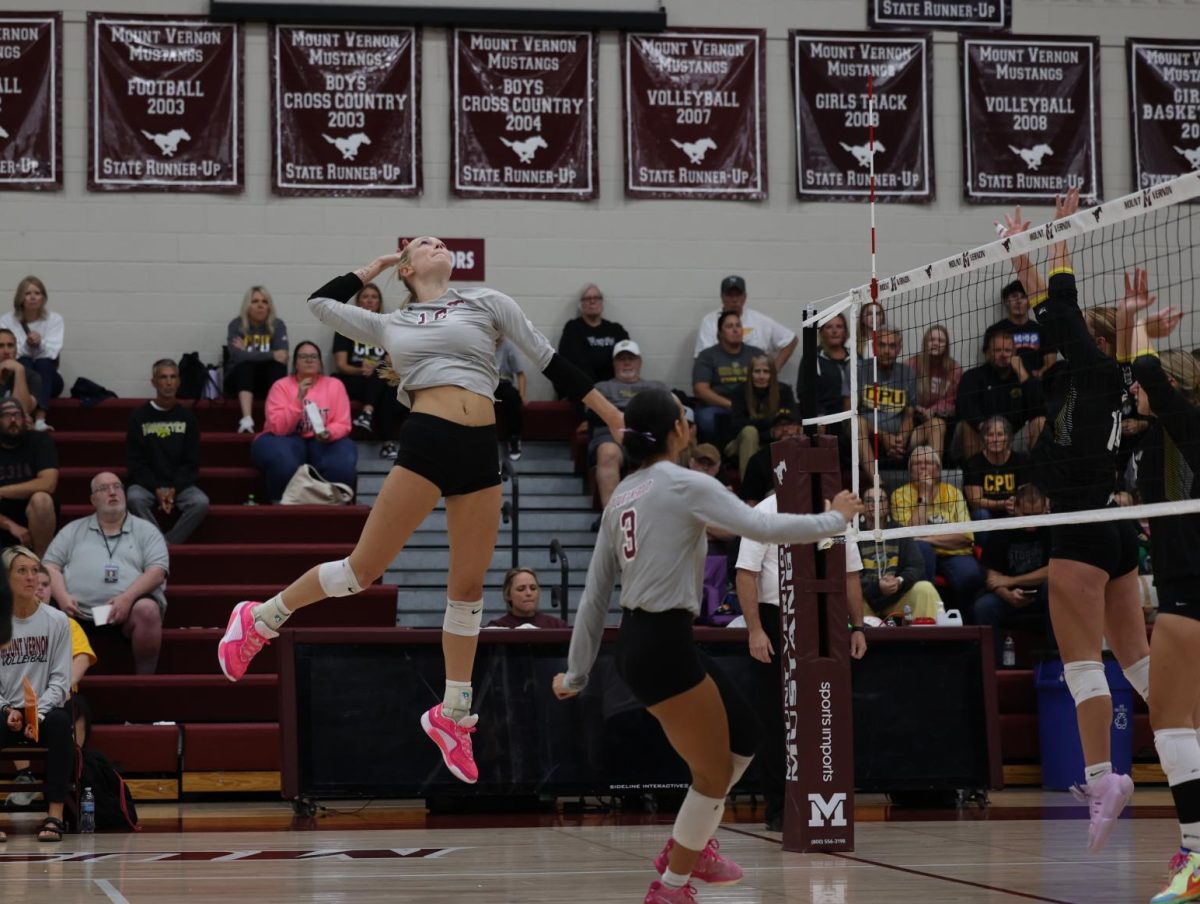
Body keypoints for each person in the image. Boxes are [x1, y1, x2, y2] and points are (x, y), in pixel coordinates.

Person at [217, 236, 624, 787]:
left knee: (469, 589)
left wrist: (611, 415)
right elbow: (319, 304)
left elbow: (553, 363)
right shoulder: (391, 324)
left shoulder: (487, 302)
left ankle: (452, 715)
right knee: (362, 571)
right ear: (407, 269)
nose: (437, 243)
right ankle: (260, 619)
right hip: (428, 437)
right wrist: (372, 269)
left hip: (482, 448)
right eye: (425, 244)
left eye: (438, 240)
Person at [551, 388, 862, 903]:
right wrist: (835, 518)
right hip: (662, 647)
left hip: (644, 642)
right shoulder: (683, 483)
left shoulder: (622, 496)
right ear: (677, 430)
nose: (689, 423)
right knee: (714, 772)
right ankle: (671, 884)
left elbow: (593, 599)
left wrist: (577, 674)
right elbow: (760, 526)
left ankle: (692, 839)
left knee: (747, 732)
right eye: (684, 417)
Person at [1000, 190, 1150, 853]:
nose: (1046, 328)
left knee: (1083, 667)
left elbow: (1058, 299)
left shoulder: (1087, 371)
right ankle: (1190, 747)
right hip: (1113, 528)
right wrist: (1020, 252)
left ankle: (1103, 778)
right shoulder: (1104, 379)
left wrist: (1058, 234)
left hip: (1082, 529)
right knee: (1139, 664)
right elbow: (1050, 303)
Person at [1114, 268, 1200, 903]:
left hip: (1190, 590)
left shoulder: (1189, 426)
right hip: (1182, 585)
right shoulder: (1158, 438)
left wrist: (1138, 320)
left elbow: (1143, 373)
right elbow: (1129, 380)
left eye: (1152, 387)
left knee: (1171, 728)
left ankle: (1196, 859)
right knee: (1183, 724)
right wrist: (1129, 321)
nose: (1138, 394)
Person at [737, 491, 867, 832]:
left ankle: (823, 800)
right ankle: (780, 808)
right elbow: (746, 573)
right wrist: (755, 630)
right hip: (774, 617)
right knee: (774, 716)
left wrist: (858, 626)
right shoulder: (764, 512)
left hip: (823, 616)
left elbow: (850, 574)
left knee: (823, 712)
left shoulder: (835, 512)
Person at [43, 471, 169, 675]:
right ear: (93, 499)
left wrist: (127, 598)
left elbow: (158, 571)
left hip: (128, 613)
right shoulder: (73, 530)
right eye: (103, 488)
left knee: (148, 609)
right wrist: (62, 596)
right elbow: (49, 566)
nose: (112, 492)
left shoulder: (147, 530)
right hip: (77, 612)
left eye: (117, 486)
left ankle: (145, 679)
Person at [7, 563, 97, 808]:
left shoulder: (63, 623)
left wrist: (57, 689)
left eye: (45, 584)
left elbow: (81, 659)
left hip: (58, 697)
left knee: (71, 711)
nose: (37, 586)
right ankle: (25, 775)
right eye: (28, 577)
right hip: (15, 700)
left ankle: (71, 776)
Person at [0, 545, 72, 842]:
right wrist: (7, 711)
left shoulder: (56, 621)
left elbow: (61, 680)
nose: (31, 578)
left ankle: (55, 815)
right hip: (4, 710)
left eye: (34, 571)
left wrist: (37, 714)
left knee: (59, 724)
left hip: (43, 710)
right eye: (21, 571)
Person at [251, 342, 357, 504]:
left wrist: (330, 433)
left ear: (320, 363)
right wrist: (299, 398)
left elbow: (343, 423)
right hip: (284, 437)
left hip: (323, 439)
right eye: (304, 357)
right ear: (295, 363)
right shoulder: (281, 386)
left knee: (340, 462)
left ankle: (335, 504)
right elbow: (279, 428)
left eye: (314, 357)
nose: (309, 360)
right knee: (283, 461)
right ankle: (281, 504)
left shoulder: (334, 385)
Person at [125, 358, 210, 544]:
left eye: (173, 377)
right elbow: (135, 462)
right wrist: (156, 489)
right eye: (163, 377)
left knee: (200, 502)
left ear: (179, 381)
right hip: (147, 485)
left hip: (179, 486)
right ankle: (157, 542)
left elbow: (191, 462)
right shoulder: (139, 417)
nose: (169, 382)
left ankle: (167, 544)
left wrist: (174, 489)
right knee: (133, 498)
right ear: (154, 382)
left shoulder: (188, 418)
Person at [890, 445, 982, 615]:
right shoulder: (900, 495)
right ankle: (928, 617)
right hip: (921, 555)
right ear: (910, 471)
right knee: (921, 549)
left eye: (928, 463)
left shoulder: (953, 493)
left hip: (954, 552)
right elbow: (910, 536)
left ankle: (964, 621)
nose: (923, 467)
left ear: (938, 470)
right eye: (918, 463)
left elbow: (966, 537)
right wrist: (923, 495)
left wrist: (927, 538)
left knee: (970, 575)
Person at [973, 483, 1052, 663]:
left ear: (1045, 509)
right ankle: (994, 669)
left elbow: (1053, 571)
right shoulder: (1001, 530)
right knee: (984, 607)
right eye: (1026, 515)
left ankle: (1056, 659)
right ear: (1014, 509)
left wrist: (1010, 580)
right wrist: (1007, 594)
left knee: (1054, 588)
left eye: (1036, 514)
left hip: (1041, 594)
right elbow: (992, 579)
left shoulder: (1052, 528)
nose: (1032, 521)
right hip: (1008, 596)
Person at [589, 340, 667, 510]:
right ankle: (612, 519)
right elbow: (596, 415)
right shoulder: (601, 388)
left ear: (640, 362)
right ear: (614, 363)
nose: (626, 363)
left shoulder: (657, 387)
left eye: (631, 358)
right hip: (612, 436)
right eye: (621, 359)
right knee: (607, 452)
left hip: (650, 436)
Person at [332, 282, 406, 459]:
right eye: (365, 297)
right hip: (355, 378)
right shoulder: (345, 328)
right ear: (358, 302)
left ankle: (367, 413)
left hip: (379, 378)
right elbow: (341, 365)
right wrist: (361, 370)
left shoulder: (387, 329)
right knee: (382, 384)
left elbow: (392, 361)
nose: (369, 300)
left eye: (374, 297)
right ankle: (387, 444)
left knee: (386, 384)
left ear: (379, 302)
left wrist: (377, 366)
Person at [855, 329, 943, 466]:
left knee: (937, 424)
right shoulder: (858, 369)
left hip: (900, 437)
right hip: (869, 435)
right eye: (882, 345)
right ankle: (877, 483)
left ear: (899, 349)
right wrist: (883, 436)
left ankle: (935, 480)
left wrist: (901, 439)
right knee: (857, 423)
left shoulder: (907, 373)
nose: (886, 351)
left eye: (892, 346)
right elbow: (850, 413)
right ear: (874, 347)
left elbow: (909, 415)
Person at [955, 328, 1045, 460]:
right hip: (983, 435)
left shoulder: (1024, 376)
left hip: (1013, 438)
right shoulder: (972, 376)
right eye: (998, 350)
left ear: (1015, 353)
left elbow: (1040, 407)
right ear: (988, 353)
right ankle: (975, 474)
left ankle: (1038, 475)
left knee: (1040, 422)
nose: (1003, 355)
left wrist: (1022, 373)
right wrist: (985, 428)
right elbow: (964, 406)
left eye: (1007, 351)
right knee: (965, 425)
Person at [857, 486, 942, 621]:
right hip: (866, 599)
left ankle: (930, 639)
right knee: (851, 593)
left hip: (897, 598)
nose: (874, 505)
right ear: (861, 506)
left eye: (880, 501)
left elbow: (917, 567)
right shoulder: (853, 534)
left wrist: (899, 581)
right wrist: (877, 587)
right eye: (869, 501)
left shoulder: (900, 532)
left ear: (888, 505)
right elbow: (850, 576)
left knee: (925, 588)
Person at [693, 275, 797, 376]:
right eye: (729, 295)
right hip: (722, 380)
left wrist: (773, 371)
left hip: (755, 382)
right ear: (722, 297)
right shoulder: (709, 321)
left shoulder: (760, 321)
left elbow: (791, 340)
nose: (734, 300)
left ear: (745, 297)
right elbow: (701, 359)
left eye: (738, 295)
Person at [692, 311, 765, 445]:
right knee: (706, 419)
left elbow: (768, 381)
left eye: (738, 325)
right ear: (720, 333)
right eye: (729, 326)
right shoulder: (707, 356)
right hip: (719, 407)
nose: (735, 330)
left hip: (751, 405)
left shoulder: (756, 354)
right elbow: (700, 390)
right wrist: (732, 405)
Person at [0, 276, 63, 431]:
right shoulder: (6, 320)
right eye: (28, 293)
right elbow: (9, 353)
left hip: (49, 379)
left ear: (43, 297)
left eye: (37, 293)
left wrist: (39, 343)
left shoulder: (54, 319)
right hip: (22, 376)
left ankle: (40, 419)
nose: (33, 297)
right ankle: (24, 416)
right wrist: (28, 345)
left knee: (43, 363)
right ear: (21, 297)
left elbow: (53, 353)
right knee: (24, 362)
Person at [225, 286, 289, 434]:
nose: (260, 305)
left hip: (265, 380)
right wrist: (271, 354)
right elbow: (236, 356)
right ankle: (247, 419)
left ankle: (276, 418)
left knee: (277, 367)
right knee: (245, 366)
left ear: (269, 306)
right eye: (255, 301)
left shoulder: (278, 325)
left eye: (264, 301)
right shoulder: (236, 325)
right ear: (247, 305)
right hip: (238, 382)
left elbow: (283, 357)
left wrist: (247, 351)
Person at [0, 397, 58, 555]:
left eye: (17, 415)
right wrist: (10, 525)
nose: (13, 420)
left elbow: (48, 483)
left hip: (35, 518)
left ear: (25, 419)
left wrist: (2, 491)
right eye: (6, 415)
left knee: (42, 499)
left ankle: (42, 567)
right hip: (3, 519)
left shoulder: (40, 441)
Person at [727, 355, 796, 478]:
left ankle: (792, 485)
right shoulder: (739, 392)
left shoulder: (784, 391)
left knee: (793, 430)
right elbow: (737, 425)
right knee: (749, 432)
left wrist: (764, 427)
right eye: (757, 371)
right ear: (750, 373)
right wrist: (769, 423)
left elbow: (793, 418)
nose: (761, 376)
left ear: (772, 374)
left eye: (766, 371)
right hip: (740, 443)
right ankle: (748, 491)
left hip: (773, 438)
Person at [555, 283, 629, 392]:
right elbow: (573, 364)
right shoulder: (573, 329)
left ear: (602, 302)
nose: (592, 301)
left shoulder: (616, 330)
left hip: (615, 390)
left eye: (596, 298)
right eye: (587, 298)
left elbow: (628, 359)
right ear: (581, 304)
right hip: (585, 391)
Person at [906, 324, 960, 456]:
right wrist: (918, 408)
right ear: (925, 343)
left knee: (937, 424)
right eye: (932, 340)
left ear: (946, 346)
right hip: (911, 422)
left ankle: (934, 473)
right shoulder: (911, 364)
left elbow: (953, 401)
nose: (935, 343)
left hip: (940, 421)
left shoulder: (954, 369)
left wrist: (933, 410)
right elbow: (903, 395)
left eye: (940, 341)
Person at [963, 415, 1029, 523]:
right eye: (990, 435)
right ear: (984, 438)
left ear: (1007, 438)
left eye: (1000, 434)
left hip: (1012, 510)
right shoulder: (973, 463)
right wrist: (1003, 504)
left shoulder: (1020, 460)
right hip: (985, 513)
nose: (995, 439)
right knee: (981, 514)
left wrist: (1015, 504)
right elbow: (975, 501)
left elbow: (1025, 493)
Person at [991, 279, 1053, 377]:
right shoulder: (995, 331)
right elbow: (990, 359)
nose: (1018, 301)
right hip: (1005, 384)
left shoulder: (1042, 331)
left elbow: (1051, 360)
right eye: (1014, 296)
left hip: (1037, 384)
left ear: (1030, 302)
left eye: (1023, 297)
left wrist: (1040, 373)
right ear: (1006, 301)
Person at [738, 412, 801, 506]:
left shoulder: (808, 454)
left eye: (789, 424)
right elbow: (752, 503)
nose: (784, 429)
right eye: (779, 426)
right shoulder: (757, 460)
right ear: (772, 432)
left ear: (799, 429)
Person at [486, 567, 567, 629]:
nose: (529, 593)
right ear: (508, 595)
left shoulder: (556, 625)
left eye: (533, 588)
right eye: (521, 589)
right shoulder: (497, 627)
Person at [494, 338, 525, 461]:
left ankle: (514, 438)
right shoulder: (481, 341)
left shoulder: (508, 346)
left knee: (512, 397)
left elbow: (521, 374)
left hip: (504, 383)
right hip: (486, 383)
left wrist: (522, 395)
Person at [0, 328, 37, 416]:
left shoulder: (32, 377)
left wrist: (19, 370)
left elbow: (22, 412)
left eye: (10, 345)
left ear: (16, 349)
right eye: (0, 346)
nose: (6, 351)